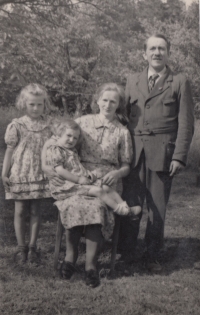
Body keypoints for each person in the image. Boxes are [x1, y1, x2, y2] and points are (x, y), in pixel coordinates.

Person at [42, 83, 139, 287]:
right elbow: (53, 142)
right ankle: (69, 260)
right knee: (74, 205)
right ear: (97, 100)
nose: (108, 104)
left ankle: (91, 267)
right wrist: (47, 167)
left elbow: (126, 165)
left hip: (107, 183)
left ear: (119, 104)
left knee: (96, 207)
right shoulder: (82, 122)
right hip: (77, 177)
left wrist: (117, 172)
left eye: (113, 101)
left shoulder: (122, 131)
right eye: (104, 99)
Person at [120, 34, 194, 272]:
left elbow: (186, 123)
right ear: (145, 54)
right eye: (152, 48)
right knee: (131, 203)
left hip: (163, 153)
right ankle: (126, 253)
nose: (157, 53)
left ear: (168, 53)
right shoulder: (132, 80)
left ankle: (152, 254)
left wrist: (179, 156)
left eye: (162, 48)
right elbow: (123, 118)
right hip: (132, 153)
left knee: (157, 208)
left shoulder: (180, 81)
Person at [1, 83, 55, 265]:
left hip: (39, 174)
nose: (35, 108)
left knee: (35, 210)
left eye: (39, 104)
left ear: (44, 104)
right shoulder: (17, 125)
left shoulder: (49, 125)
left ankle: (32, 248)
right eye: (32, 104)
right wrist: (4, 173)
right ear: (24, 103)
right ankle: (21, 247)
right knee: (20, 210)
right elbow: (9, 151)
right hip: (20, 173)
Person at [45, 119, 141, 217]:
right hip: (65, 187)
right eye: (68, 136)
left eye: (75, 138)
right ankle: (122, 212)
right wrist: (78, 179)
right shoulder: (56, 150)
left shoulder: (71, 150)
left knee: (106, 188)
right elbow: (60, 170)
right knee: (98, 191)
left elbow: (76, 166)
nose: (71, 140)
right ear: (59, 134)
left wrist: (86, 173)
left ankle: (126, 207)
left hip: (76, 183)